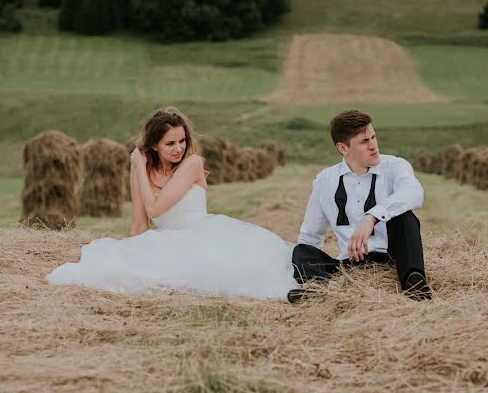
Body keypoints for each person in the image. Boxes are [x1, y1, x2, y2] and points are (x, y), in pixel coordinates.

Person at [47, 108, 298, 299]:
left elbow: (155, 208)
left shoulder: (192, 164)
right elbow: (139, 223)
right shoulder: (142, 170)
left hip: (202, 238)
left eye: (182, 141)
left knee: (233, 277)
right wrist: (133, 252)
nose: (179, 148)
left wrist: (138, 166)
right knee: (117, 270)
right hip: (166, 241)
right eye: (170, 143)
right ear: (154, 145)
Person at [289, 109, 431, 303]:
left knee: (405, 218)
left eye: (373, 137)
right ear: (343, 148)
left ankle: (414, 284)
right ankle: (316, 291)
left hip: (391, 257)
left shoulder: (395, 166)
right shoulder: (325, 180)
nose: (373, 146)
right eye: (364, 142)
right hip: (349, 264)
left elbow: (414, 192)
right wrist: (307, 270)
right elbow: (311, 235)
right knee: (302, 250)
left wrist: (371, 217)